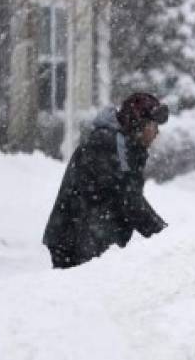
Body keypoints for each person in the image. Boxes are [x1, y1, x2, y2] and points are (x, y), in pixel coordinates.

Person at [43, 92, 169, 268]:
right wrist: (165, 236)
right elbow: (128, 199)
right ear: (139, 124)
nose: (157, 132)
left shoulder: (125, 144)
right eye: (154, 125)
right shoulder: (109, 144)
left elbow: (127, 197)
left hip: (87, 237)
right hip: (77, 240)